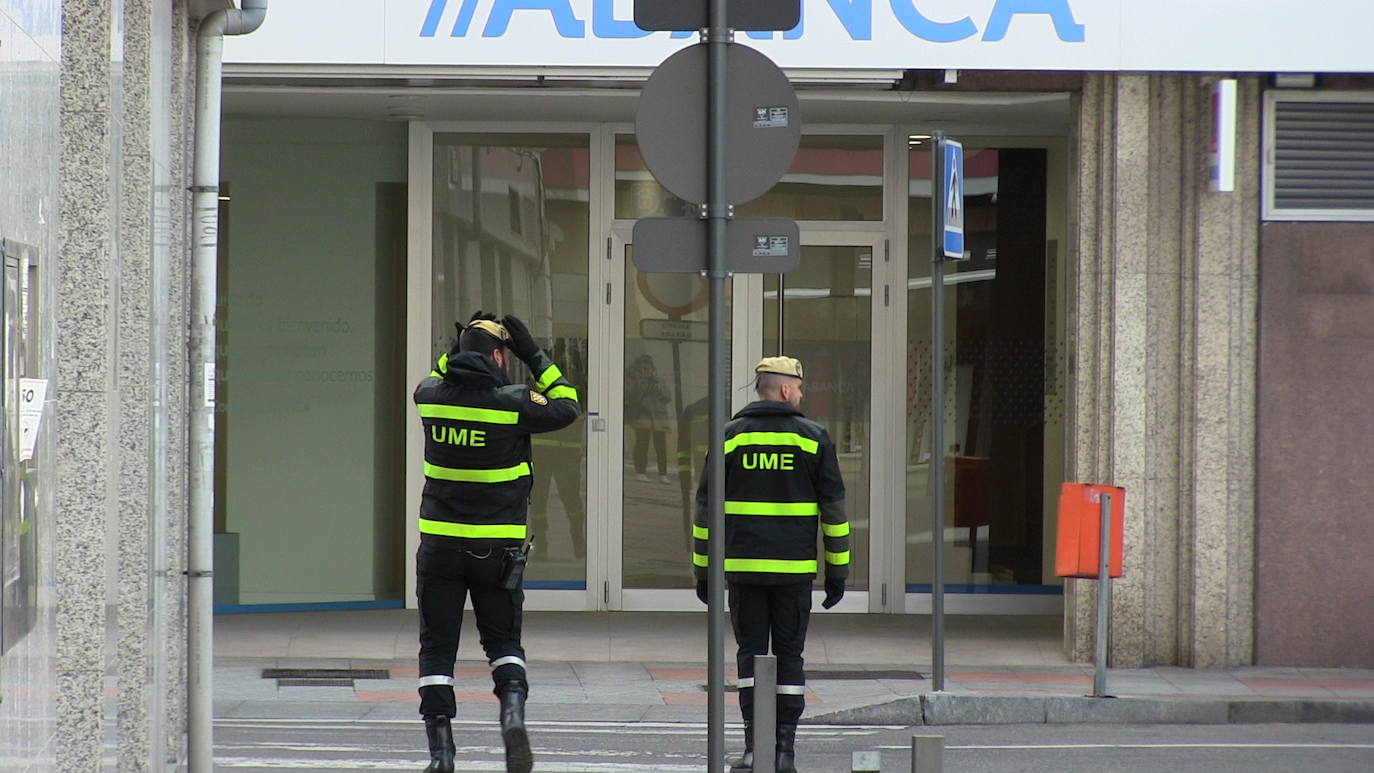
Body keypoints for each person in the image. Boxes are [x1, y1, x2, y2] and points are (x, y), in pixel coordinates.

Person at [413, 311, 580, 773]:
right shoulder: (512, 402)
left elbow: (437, 374)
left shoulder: (430, 399)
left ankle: (442, 755)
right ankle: (511, 715)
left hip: (440, 547)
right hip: (497, 551)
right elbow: (567, 404)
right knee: (504, 642)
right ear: (500, 356)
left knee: (436, 649)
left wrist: (461, 342)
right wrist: (533, 353)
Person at [692, 356, 849, 773]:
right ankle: (784, 752)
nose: (800, 394)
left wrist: (703, 570)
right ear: (784, 389)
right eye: (798, 388)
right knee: (789, 656)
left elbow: (705, 512)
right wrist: (838, 572)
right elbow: (834, 513)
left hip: (744, 571)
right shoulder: (814, 439)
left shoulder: (727, 437)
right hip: (793, 573)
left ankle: (752, 748)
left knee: (750, 655)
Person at [625, 353, 672, 483]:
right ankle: (641, 471)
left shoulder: (658, 380)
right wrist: (642, 384)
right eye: (643, 368)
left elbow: (668, 397)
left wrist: (658, 386)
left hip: (659, 417)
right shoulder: (633, 379)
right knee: (642, 445)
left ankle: (663, 473)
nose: (647, 371)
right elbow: (630, 395)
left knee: (661, 447)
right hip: (642, 415)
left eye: (649, 368)